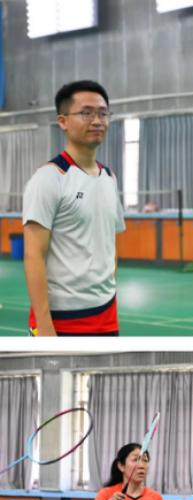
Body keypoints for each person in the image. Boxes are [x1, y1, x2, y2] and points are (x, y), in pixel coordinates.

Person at [23, 80, 125, 336]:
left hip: (106, 313)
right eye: (86, 113)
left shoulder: (109, 178)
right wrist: (45, 327)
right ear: (63, 121)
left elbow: (110, 243)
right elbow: (33, 255)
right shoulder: (49, 178)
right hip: (62, 318)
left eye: (103, 113)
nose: (97, 121)